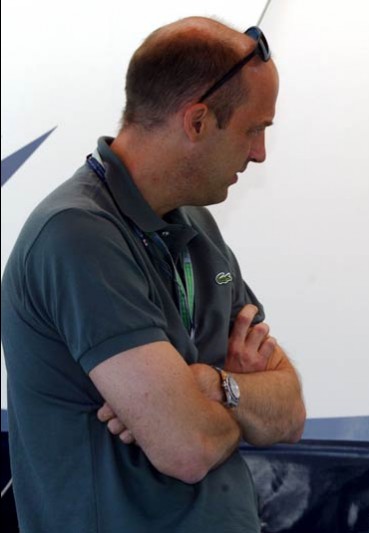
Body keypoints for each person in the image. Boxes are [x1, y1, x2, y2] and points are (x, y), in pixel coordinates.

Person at [1, 17, 306, 532]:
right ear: (197, 122)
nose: (259, 153)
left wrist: (212, 384)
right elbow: (187, 447)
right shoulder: (77, 233)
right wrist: (237, 399)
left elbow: (291, 410)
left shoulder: (197, 225)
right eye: (254, 129)